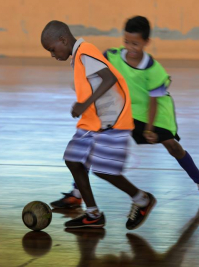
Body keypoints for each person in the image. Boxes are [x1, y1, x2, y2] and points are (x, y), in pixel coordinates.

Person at [51, 16, 199, 209]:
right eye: (127, 42)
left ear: (146, 42)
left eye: (136, 43)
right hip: (122, 112)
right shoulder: (112, 55)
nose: (130, 47)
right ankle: (76, 194)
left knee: (173, 147)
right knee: (91, 143)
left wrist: (148, 129)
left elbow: (154, 101)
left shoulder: (153, 69)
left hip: (151, 114)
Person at [41, 20, 156, 229]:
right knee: (73, 159)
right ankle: (93, 215)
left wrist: (84, 103)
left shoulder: (85, 51)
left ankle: (142, 199)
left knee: (105, 170)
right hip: (94, 122)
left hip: (113, 121)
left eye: (52, 49)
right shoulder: (78, 57)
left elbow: (109, 78)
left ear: (63, 40)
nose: (52, 54)